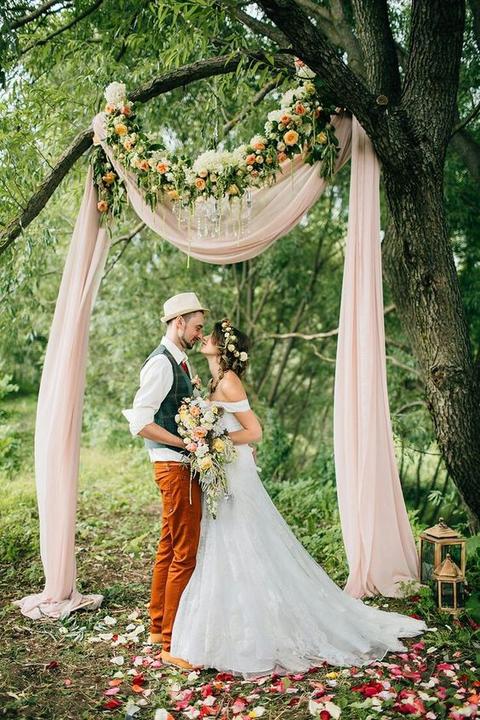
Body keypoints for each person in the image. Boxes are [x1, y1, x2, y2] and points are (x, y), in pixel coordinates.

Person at [170, 319, 427, 676]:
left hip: (235, 471)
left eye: (211, 336)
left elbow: (254, 431)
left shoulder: (228, 381)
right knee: (226, 540)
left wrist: (213, 441)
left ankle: (254, 629)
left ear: (222, 347)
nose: (205, 339)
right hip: (224, 469)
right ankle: (234, 626)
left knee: (243, 539)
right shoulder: (216, 381)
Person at [123, 292, 207, 670]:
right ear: (179, 322)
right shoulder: (161, 363)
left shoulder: (180, 362)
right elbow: (140, 422)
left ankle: (159, 626)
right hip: (174, 468)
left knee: (170, 546)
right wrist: (184, 442)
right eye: (197, 327)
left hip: (176, 466)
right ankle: (173, 644)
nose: (199, 333)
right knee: (184, 553)